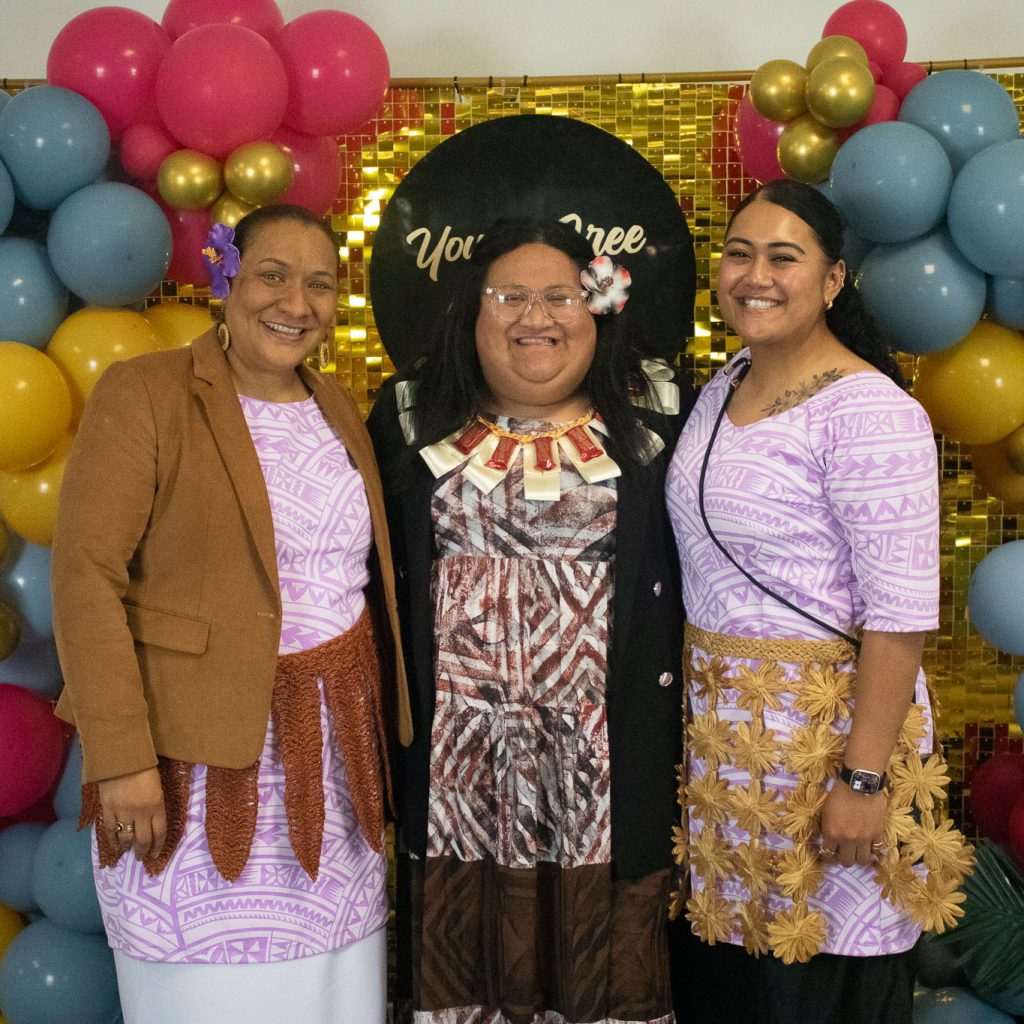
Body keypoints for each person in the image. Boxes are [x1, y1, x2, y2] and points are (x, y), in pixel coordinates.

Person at [51, 204, 412, 1024]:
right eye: (272, 276)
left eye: (319, 284)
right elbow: (85, 577)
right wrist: (122, 759)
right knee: (209, 996)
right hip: (193, 769)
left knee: (333, 994)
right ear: (226, 278)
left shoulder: (336, 404)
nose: (296, 303)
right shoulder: (146, 391)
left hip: (330, 767)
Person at [367, 216, 694, 1024]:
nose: (535, 317)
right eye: (508, 296)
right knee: (464, 972)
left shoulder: (662, 415)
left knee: (604, 976)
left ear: (599, 308)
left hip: (604, 759)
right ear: (469, 311)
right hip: (457, 766)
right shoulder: (404, 418)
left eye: (560, 297)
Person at [665, 180, 972, 1024]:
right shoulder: (724, 384)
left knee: (821, 989)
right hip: (724, 764)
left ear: (834, 279)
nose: (755, 275)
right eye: (739, 254)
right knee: (734, 991)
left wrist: (863, 780)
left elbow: (899, 619)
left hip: (828, 752)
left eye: (784, 257)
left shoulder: (872, 412)